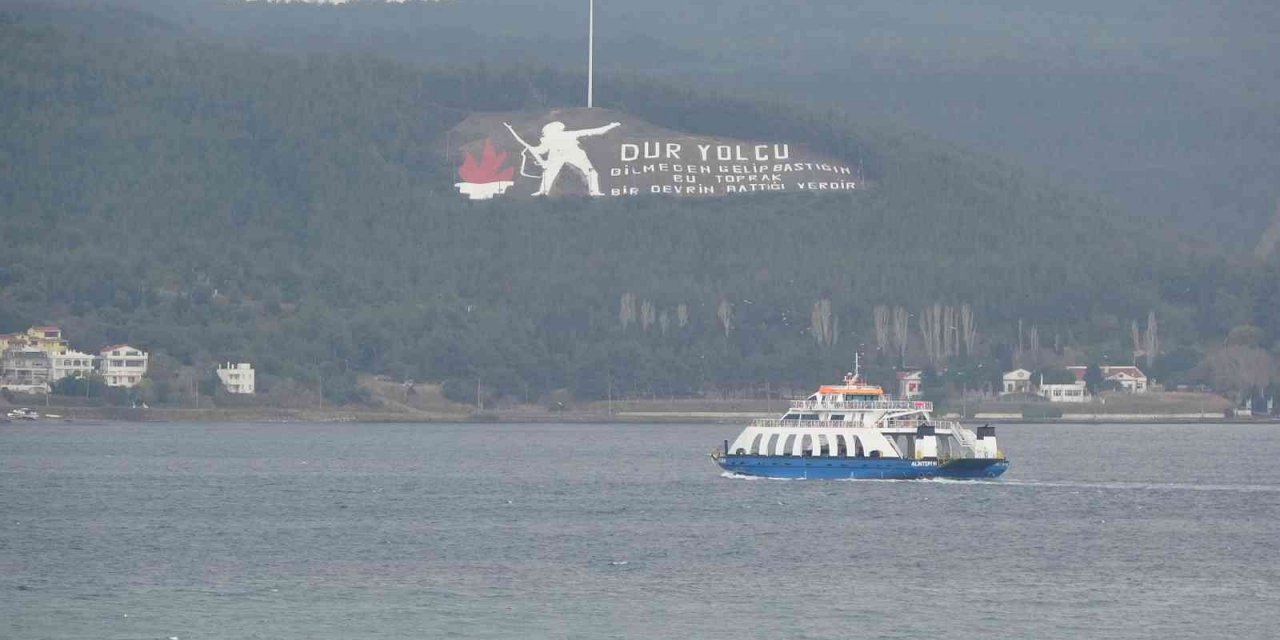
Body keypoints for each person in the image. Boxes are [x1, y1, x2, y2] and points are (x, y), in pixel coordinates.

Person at [524, 121, 620, 196]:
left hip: (575, 154)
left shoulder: (568, 134)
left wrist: (610, 126)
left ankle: (594, 191)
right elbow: (541, 150)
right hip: (557, 156)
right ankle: (543, 191)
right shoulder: (547, 139)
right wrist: (533, 149)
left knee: (591, 171)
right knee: (548, 173)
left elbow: (594, 131)